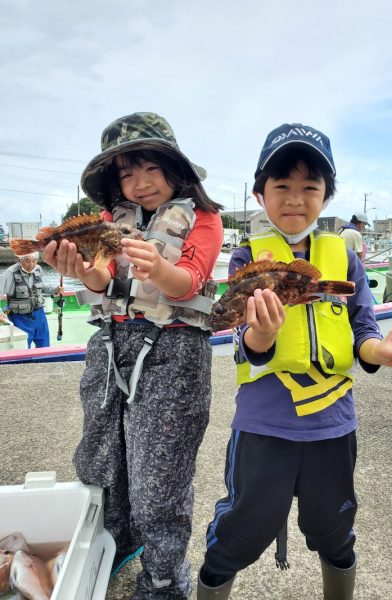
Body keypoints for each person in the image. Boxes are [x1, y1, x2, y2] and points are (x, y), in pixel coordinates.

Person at [197, 123, 392, 600]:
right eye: (281, 186)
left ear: (326, 197)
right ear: (260, 192)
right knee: (239, 534)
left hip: (334, 425)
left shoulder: (345, 259)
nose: (294, 198)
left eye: (310, 187)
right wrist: (262, 332)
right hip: (264, 426)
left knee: (335, 531)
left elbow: (363, 331)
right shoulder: (246, 258)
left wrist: (382, 349)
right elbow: (246, 342)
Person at [42, 112, 223, 600]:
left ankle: (163, 580)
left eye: (150, 169)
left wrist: (161, 268)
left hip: (173, 351)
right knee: (100, 458)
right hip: (109, 345)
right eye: (126, 173)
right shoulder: (107, 223)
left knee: (159, 477)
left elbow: (191, 280)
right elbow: (102, 280)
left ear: (174, 168)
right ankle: (112, 544)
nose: (139, 184)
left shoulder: (202, 218)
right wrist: (82, 271)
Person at [0, 252, 63, 347]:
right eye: (27, 261)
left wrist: (55, 289)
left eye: (34, 261)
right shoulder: (9, 274)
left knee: (44, 345)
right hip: (19, 317)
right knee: (23, 346)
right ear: (20, 260)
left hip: (39, 314)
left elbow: (42, 287)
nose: (31, 265)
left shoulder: (38, 269)